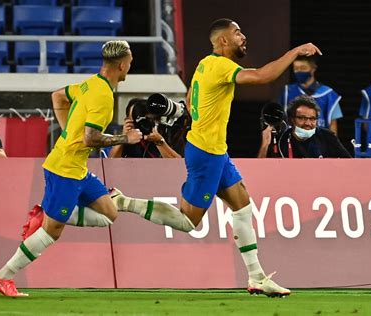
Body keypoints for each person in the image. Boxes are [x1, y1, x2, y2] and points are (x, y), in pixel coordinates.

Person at [109, 18, 322, 297]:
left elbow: (188, 98)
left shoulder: (204, 64)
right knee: (188, 221)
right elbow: (261, 77)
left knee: (243, 207)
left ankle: (257, 276)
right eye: (237, 33)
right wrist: (295, 52)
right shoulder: (221, 66)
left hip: (215, 152)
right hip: (206, 154)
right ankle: (123, 201)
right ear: (223, 41)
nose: (243, 37)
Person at [0, 40, 144, 297]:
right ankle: (3, 277)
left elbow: (58, 96)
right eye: (130, 62)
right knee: (52, 233)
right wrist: (123, 139)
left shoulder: (89, 84)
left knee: (109, 213)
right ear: (122, 64)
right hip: (64, 170)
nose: (130, 66)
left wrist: (67, 132)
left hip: (77, 168)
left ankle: (47, 213)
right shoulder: (103, 95)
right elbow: (90, 139)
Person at [258, 96, 351, 158]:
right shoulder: (280, 141)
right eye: (302, 118)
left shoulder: (327, 137)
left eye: (312, 119)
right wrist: (265, 144)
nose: (308, 123)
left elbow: (348, 162)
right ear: (291, 120)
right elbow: (260, 169)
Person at [282, 55, 343, 135]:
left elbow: (333, 126)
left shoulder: (328, 94)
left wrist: (332, 145)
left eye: (303, 68)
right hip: (294, 143)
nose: (299, 71)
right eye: (296, 69)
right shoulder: (287, 92)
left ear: (313, 69)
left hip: (320, 143)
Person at [109, 98, 182, 158]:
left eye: (144, 119)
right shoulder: (127, 138)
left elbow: (179, 164)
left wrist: (159, 142)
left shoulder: (165, 132)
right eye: (135, 118)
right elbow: (111, 162)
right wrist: (123, 138)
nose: (140, 123)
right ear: (127, 120)